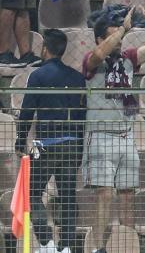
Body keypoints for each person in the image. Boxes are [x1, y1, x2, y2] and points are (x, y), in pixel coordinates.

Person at [83, 5, 145, 253]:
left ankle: (127, 246)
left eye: (120, 36)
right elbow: (99, 53)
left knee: (128, 195)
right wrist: (124, 29)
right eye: (112, 36)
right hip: (100, 135)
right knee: (105, 194)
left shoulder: (128, 58)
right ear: (99, 38)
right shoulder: (91, 60)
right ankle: (99, 248)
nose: (118, 42)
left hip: (126, 136)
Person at [15, 29, 85, 253]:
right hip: (73, 143)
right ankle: (65, 246)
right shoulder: (77, 77)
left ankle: (46, 242)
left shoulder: (37, 76)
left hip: (47, 144)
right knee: (67, 195)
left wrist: (20, 140)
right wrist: (80, 147)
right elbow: (82, 115)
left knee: (33, 191)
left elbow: (27, 112)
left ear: (45, 48)